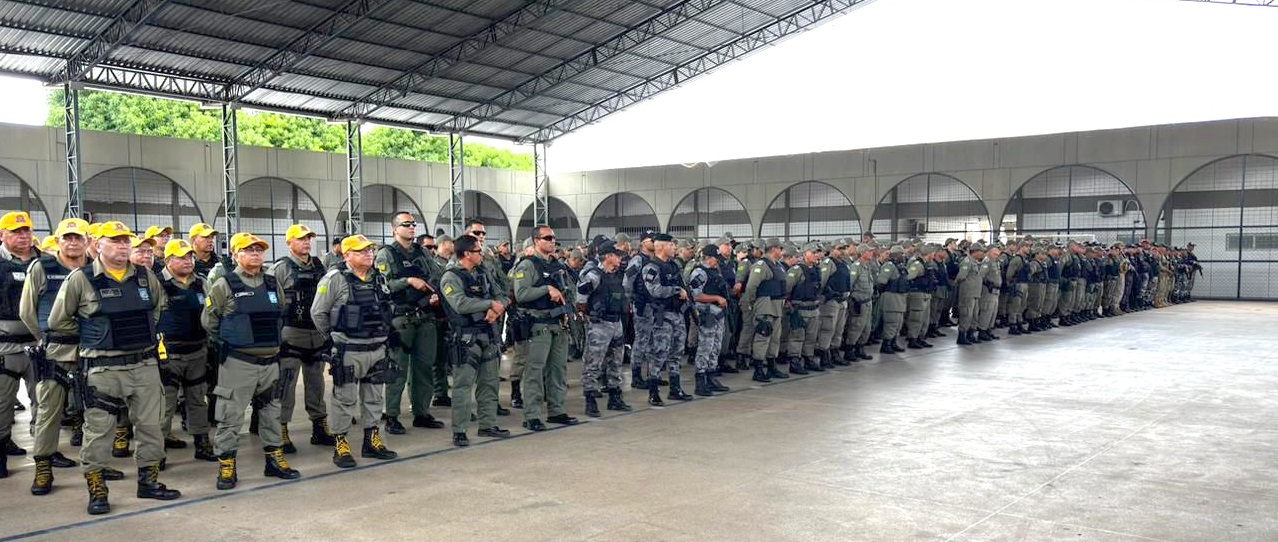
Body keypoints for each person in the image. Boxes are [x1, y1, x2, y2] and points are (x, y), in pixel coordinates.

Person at [47, 221, 181, 515]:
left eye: (126, 241)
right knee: (99, 431)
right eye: (115, 241)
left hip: (144, 365)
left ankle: (148, 482)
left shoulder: (145, 276)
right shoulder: (80, 279)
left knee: (151, 427)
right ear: (98, 244)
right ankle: (97, 488)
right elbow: (59, 321)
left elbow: (158, 308)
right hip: (103, 369)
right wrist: (94, 335)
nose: (122, 246)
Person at [202, 232, 300, 490]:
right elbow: (209, 322)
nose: (255, 254)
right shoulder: (225, 284)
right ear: (235, 254)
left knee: (271, 412)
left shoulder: (271, 283)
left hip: (270, 363)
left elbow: (279, 313)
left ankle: (274, 460)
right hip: (238, 362)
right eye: (248, 250)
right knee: (230, 416)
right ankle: (227, 465)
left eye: (259, 249)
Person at [311, 234, 398, 468]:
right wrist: (333, 339)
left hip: (377, 349)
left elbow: (387, 308)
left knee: (374, 398)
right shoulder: (334, 279)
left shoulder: (379, 277)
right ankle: (341, 443)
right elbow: (318, 313)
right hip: (348, 350)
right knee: (344, 399)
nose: (368, 254)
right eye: (361, 251)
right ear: (347, 255)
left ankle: (372, 441)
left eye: (370, 250)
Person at [20, 218, 92, 494]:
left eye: (78, 238)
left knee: (95, 412)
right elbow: (27, 312)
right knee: (49, 412)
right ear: (58, 240)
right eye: (67, 238)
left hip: (91, 350)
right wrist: (45, 339)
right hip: (55, 352)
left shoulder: (95, 268)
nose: (72, 243)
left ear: (87, 240)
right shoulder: (41, 267)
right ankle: (43, 467)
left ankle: (94, 464)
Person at [267, 224, 335, 452]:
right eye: (301, 239)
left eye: (308, 239)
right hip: (290, 335)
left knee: (316, 383)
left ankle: (319, 427)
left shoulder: (319, 266)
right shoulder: (280, 269)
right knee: (285, 384)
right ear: (290, 243)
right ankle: (282, 430)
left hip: (316, 333)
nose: (306, 242)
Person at [376, 212, 445, 434]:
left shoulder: (422, 252)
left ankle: (421, 412)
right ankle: (392, 415)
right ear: (395, 229)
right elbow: (382, 285)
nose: (412, 227)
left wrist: (434, 293)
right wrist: (408, 281)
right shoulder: (387, 254)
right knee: (397, 368)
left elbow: (437, 275)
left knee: (424, 366)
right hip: (400, 318)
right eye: (406, 224)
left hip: (425, 316)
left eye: (414, 224)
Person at [440, 234, 511, 446]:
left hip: (488, 333)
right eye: (478, 251)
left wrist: (497, 310)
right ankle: (459, 430)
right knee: (463, 386)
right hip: (466, 337)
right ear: (467, 254)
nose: (482, 254)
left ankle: (487, 424)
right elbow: (460, 304)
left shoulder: (484, 272)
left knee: (489, 383)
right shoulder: (450, 277)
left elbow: (503, 294)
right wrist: (489, 304)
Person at [511, 225, 578, 431]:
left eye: (554, 237)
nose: (552, 241)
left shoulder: (557, 265)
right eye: (547, 237)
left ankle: (556, 410)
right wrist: (546, 289)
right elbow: (521, 294)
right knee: (535, 371)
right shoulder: (527, 265)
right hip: (538, 324)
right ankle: (532, 415)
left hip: (558, 323)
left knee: (558, 370)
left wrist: (568, 311)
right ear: (536, 241)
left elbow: (570, 290)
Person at [155, 239, 215, 462]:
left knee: (198, 400)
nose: (188, 261)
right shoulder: (157, 283)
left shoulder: (201, 282)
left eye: (190, 256)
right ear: (168, 261)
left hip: (198, 352)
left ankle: (202, 442)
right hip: (168, 355)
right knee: (165, 405)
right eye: (181, 257)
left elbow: (212, 313)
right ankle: (157, 450)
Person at [0, 211, 39, 478]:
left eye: (26, 231)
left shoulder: (45, 262)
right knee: (2, 404)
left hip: (40, 345)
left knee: (45, 402)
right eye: (15, 232)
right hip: (6, 346)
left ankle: (46, 454)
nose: (23, 236)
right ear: (3, 235)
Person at [636, 233, 693, 405]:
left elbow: (684, 286)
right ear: (662, 247)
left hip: (677, 313)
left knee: (676, 352)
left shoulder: (674, 266)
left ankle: (675, 389)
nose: (675, 248)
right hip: (662, 315)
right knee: (659, 353)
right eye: (671, 245)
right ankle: (653, 392)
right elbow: (654, 290)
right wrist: (676, 290)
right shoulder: (652, 268)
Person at [576, 241, 631, 416]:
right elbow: (581, 299)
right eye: (616, 255)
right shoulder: (594, 275)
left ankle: (615, 397)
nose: (619, 258)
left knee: (616, 361)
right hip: (599, 324)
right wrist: (589, 316)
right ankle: (590, 400)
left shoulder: (617, 275)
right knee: (593, 363)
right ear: (608, 257)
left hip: (617, 323)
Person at [687, 245, 731, 397]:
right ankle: (700, 381)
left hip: (718, 314)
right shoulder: (699, 272)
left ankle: (711, 377)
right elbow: (696, 295)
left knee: (716, 346)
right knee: (705, 347)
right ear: (708, 258)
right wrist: (717, 298)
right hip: (707, 314)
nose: (717, 262)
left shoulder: (714, 271)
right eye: (715, 259)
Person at [743, 238, 788, 382]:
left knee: (774, 338)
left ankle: (771, 367)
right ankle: (758, 369)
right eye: (781, 248)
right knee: (763, 336)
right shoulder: (762, 265)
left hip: (777, 306)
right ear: (774, 249)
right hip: (765, 305)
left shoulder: (778, 265)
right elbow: (751, 287)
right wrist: (750, 303)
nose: (782, 251)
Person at [784, 242, 826, 373]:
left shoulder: (817, 270)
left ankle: (808, 358)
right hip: (799, 309)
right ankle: (794, 361)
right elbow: (786, 289)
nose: (816, 255)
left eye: (817, 252)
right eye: (813, 252)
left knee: (811, 337)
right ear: (804, 254)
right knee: (797, 336)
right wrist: (789, 304)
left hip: (813, 308)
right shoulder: (796, 270)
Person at [842, 244, 876, 362]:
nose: (872, 253)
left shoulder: (867, 266)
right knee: (856, 327)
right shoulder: (856, 267)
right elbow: (850, 284)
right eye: (869, 251)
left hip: (868, 302)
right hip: (858, 302)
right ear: (863, 253)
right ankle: (849, 350)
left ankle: (860, 348)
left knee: (866, 328)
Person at [875, 246, 909, 354]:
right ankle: (886, 344)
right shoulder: (889, 266)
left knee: (898, 323)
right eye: (901, 254)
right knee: (891, 322)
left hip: (900, 299)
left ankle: (893, 342)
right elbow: (881, 282)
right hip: (891, 298)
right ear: (896, 254)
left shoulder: (900, 266)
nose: (903, 256)